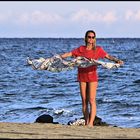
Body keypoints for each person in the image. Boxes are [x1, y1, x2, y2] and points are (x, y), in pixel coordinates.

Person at [60, 30, 124, 127]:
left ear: (95, 39)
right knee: (84, 100)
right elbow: (70, 54)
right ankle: (86, 121)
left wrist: (117, 60)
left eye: (93, 37)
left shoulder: (97, 49)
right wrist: (59, 57)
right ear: (86, 38)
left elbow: (107, 56)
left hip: (92, 77)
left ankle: (91, 123)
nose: (91, 39)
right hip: (82, 76)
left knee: (91, 100)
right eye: (89, 37)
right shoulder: (81, 49)